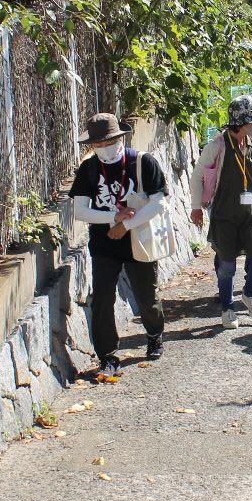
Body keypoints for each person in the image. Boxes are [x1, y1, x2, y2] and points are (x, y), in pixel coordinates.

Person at [67, 112, 167, 380]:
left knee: (146, 295)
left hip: (138, 239)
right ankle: (107, 355)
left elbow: (158, 203)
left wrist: (125, 225)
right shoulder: (88, 169)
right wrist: (112, 218)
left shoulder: (142, 162)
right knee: (102, 299)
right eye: (97, 144)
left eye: (108, 141)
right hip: (104, 243)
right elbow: (80, 211)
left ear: (120, 138)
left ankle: (155, 334)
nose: (104, 148)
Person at [190, 95, 252, 328]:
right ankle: (227, 307)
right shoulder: (217, 145)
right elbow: (198, 176)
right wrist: (196, 207)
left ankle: (250, 293)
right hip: (224, 213)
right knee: (226, 264)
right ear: (241, 123)